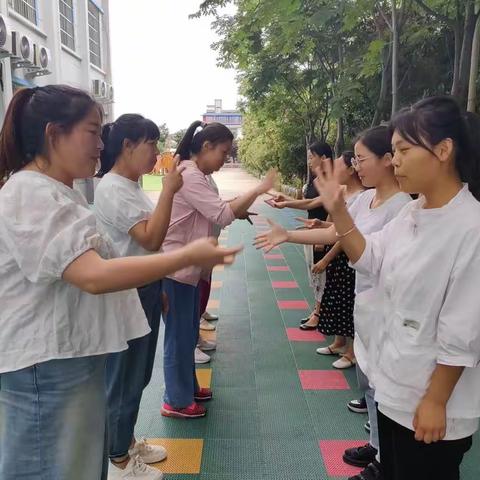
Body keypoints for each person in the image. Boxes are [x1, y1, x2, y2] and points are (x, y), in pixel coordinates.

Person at [0, 85, 242, 480]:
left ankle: (121, 448)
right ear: (53, 133)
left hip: (65, 355)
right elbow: (92, 275)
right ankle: (122, 454)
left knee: (75, 461)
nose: (102, 143)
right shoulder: (30, 192)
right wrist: (184, 255)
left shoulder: (59, 193)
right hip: (44, 363)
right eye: (93, 132)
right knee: (51, 466)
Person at [308, 96, 480, 479]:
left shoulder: (470, 227)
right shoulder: (413, 214)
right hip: (395, 386)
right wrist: (337, 210)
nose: (395, 159)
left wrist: (436, 400)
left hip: (434, 402)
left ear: (443, 150)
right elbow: (370, 258)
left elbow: (462, 328)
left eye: (403, 149)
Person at [255, 125, 411, 479]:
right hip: (367, 304)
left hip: (387, 308)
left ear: (387, 161)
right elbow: (338, 232)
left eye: (361, 159)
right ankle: (377, 448)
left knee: (385, 389)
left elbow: (356, 244)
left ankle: (384, 460)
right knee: (369, 382)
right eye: (354, 159)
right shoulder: (371, 199)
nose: (356, 166)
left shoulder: (402, 206)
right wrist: (289, 234)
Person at [160, 120, 276, 419]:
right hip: (177, 268)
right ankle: (175, 399)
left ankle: (186, 389)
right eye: (223, 152)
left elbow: (214, 209)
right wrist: (259, 189)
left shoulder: (197, 174)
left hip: (189, 267)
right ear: (206, 147)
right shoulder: (190, 174)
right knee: (179, 337)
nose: (225, 159)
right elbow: (221, 214)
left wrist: (237, 209)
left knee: (186, 333)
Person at [94, 114, 184, 479]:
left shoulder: (128, 185)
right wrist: (168, 191)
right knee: (125, 378)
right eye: (151, 144)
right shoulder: (113, 188)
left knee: (138, 375)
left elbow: (143, 247)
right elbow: (150, 239)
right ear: (127, 146)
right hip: (127, 291)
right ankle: (117, 459)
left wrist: (158, 284)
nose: (157, 153)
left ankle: (126, 441)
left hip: (144, 289)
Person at [270, 141, 333, 330]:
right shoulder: (315, 179)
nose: (308, 160)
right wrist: (286, 201)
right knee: (313, 273)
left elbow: (333, 207)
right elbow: (310, 202)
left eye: (311, 156)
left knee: (321, 274)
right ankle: (317, 309)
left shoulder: (331, 180)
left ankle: (318, 313)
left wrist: (325, 234)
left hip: (324, 233)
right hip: (312, 231)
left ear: (324, 158)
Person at [313, 151, 364, 369]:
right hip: (345, 256)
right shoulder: (349, 193)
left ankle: (352, 352)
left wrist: (326, 257)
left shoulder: (362, 196)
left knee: (348, 304)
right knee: (339, 300)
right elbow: (337, 228)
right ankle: (339, 343)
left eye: (361, 159)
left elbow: (346, 233)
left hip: (350, 257)